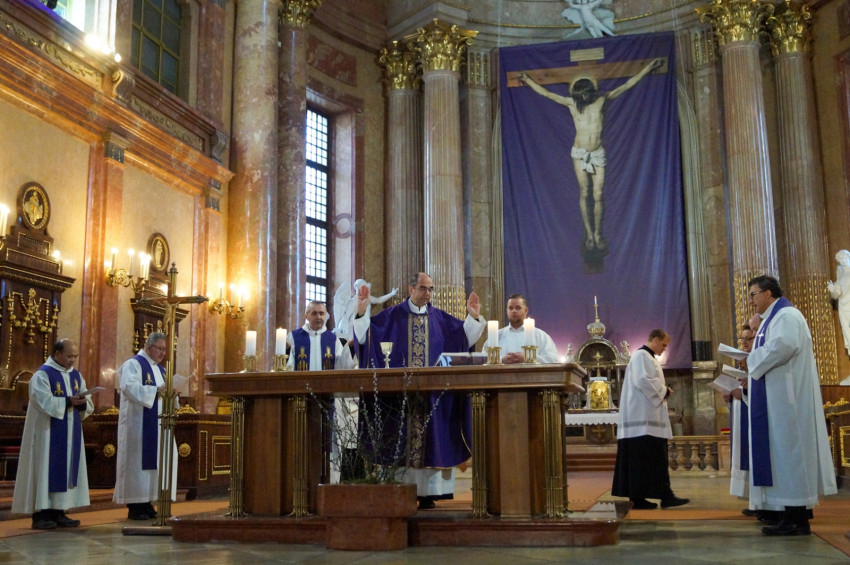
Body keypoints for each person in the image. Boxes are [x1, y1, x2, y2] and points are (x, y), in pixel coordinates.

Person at [353, 272, 486, 509]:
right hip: (399, 398)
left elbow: (464, 338)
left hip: (433, 399)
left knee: (433, 442)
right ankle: (399, 489)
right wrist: (362, 313)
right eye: (423, 288)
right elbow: (365, 337)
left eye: (431, 289)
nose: (428, 294)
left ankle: (428, 493)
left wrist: (473, 318)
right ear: (411, 289)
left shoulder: (441, 320)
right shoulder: (390, 317)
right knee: (398, 443)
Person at [518, 58, 663, 254]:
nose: (584, 97)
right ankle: (589, 233)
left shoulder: (602, 100)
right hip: (579, 153)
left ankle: (598, 232)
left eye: (587, 93)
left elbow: (628, 84)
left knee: (598, 194)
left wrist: (648, 68)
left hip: (597, 152)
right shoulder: (572, 103)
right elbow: (546, 93)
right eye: (582, 94)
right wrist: (528, 80)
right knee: (585, 192)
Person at [745, 275, 837, 536]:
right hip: (779, 400)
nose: (751, 301)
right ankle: (789, 515)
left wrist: (751, 359)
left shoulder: (786, 316)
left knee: (791, 455)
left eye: (753, 294)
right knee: (783, 457)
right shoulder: (773, 318)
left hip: (789, 401)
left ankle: (797, 519)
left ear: (768, 293)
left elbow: (783, 346)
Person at [12, 339, 93, 529]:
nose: (73, 360)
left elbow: (87, 399)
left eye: (75, 356)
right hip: (47, 433)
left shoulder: (76, 376)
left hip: (70, 431)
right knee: (45, 469)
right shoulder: (42, 375)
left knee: (66, 468)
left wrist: (84, 403)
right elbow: (41, 400)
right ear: (57, 354)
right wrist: (67, 401)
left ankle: (59, 511)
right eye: (69, 356)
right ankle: (41, 515)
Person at [611, 329, 689, 510]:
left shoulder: (647, 357)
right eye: (664, 345)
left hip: (646, 419)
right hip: (643, 419)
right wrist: (665, 391)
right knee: (647, 460)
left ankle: (645, 497)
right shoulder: (641, 356)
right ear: (655, 340)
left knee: (644, 460)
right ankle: (659, 497)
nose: (664, 349)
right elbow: (642, 380)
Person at [287, 300, 358, 483]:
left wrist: (350, 348)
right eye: (314, 313)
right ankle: (300, 482)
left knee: (330, 443)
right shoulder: (294, 337)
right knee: (301, 440)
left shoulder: (333, 339)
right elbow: (287, 368)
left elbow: (342, 366)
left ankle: (330, 484)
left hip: (328, 401)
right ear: (306, 315)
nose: (318, 317)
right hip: (301, 400)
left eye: (321, 313)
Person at [113, 332, 177, 520]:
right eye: (160, 349)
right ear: (149, 347)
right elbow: (129, 387)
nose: (163, 353)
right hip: (138, 425)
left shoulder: (161, 370)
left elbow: (165, 397)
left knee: (155, 466)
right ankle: (135, 506)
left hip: (158, 426)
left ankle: (148, 502)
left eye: (165, 350)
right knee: (136, 465)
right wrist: (156, 390)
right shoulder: (133, 364)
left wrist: (172, 394)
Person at [724, 323, 754, 508]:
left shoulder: (759, 359)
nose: (744, 343)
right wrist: (728, 393)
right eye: (742, 339)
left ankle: (757, 501)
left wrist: (742, 393)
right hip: (739, 411)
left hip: (752, 415)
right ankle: (751, 499)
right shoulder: (742, 362)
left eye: (748, 339)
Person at [481, 294, 559, 363]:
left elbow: (552, 359)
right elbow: (483, 359)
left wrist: (528, 358)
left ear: (526, 310)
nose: (513, 311)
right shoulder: (497, 336)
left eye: (518, 308)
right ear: (507, 311)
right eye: (510, 308)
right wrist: (501, 360)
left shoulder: (541, 336)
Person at [827, 249, 850, 358]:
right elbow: (837, 295)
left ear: (848, 257)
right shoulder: (841, 274)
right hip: (843, 306)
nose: (841, 260)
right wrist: (833, 290)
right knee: (847, 331)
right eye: (839, 259)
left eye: (842, 257)